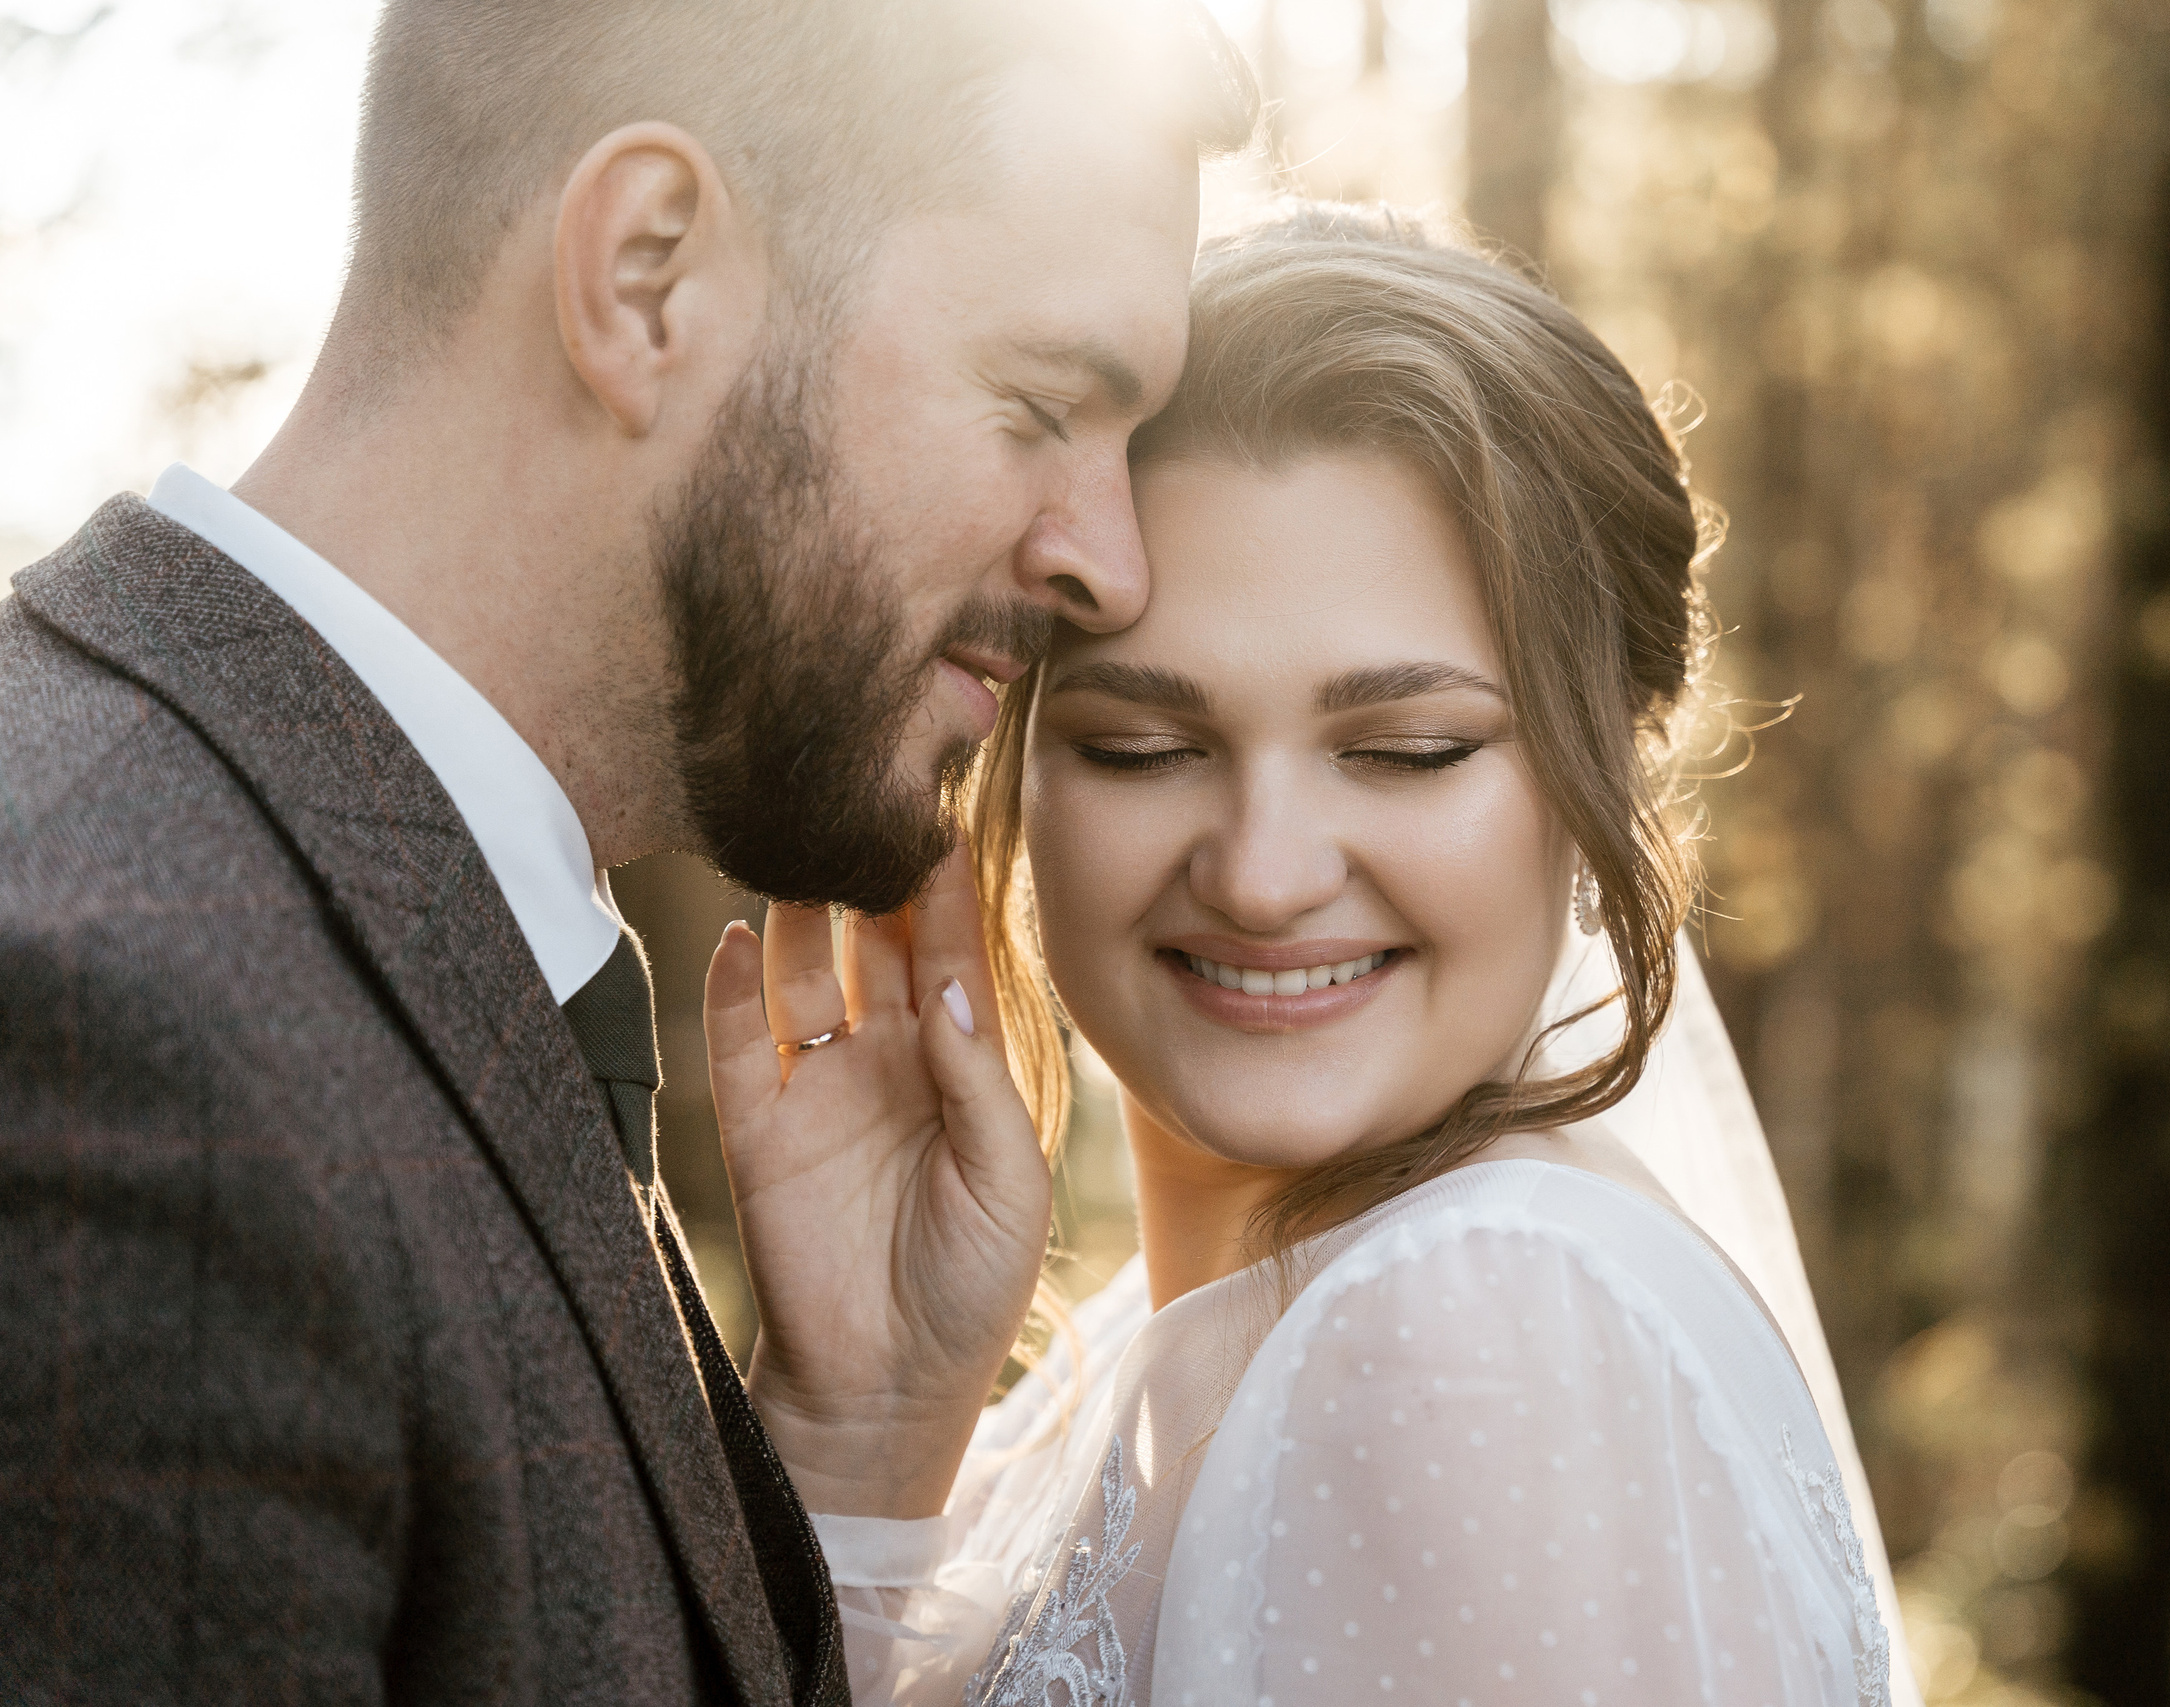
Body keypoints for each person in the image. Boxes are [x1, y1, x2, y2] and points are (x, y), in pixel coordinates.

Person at [0, 4, 1252, 1702]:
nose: (1112, 561)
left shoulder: (343, 895)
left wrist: (850, 1457)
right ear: (649, 275)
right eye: (1042, 401)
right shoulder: (120, 1055)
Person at [710, 208, 1922, 1705]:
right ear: (1012, 759)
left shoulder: (1474, 1330)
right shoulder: (1131, 1365)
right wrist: (863, 1435)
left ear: (1605, 768)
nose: (1265, 875)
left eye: (1408, 752)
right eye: (1143, 747)